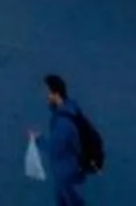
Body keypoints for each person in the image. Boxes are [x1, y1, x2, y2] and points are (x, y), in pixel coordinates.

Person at [36, 73, 94, 203]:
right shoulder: (71, 111)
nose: (47, 97)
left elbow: (54, 149)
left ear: (56, 95)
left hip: (67, 176)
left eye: (49, 93)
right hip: (73, 173)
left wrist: (37, 139)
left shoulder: (63, 122)